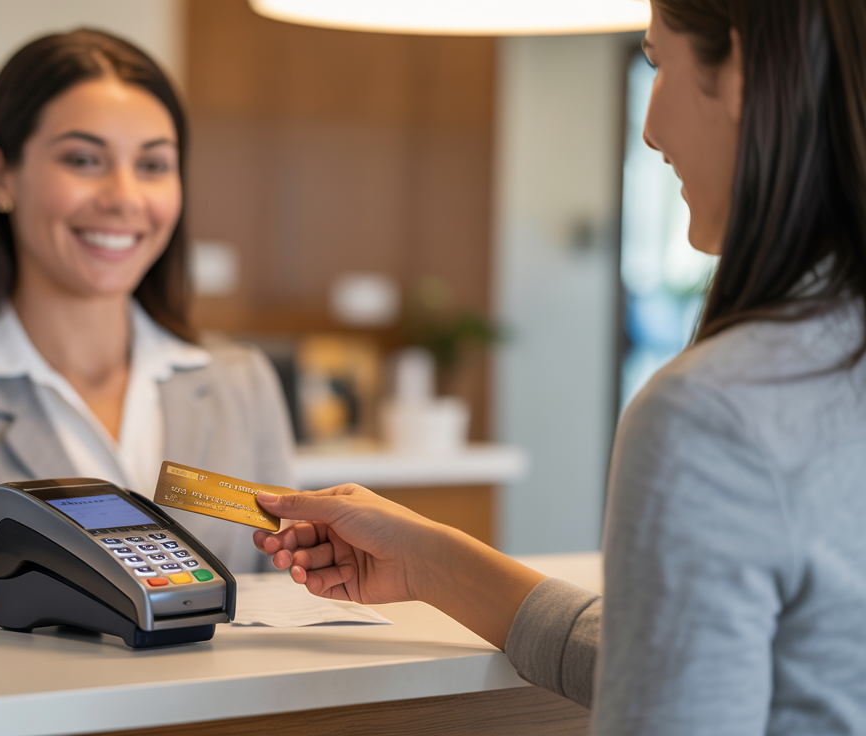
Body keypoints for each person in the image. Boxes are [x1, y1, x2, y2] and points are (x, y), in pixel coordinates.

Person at [253, 0, 866, 733]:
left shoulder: (712, 413)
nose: (648, 129)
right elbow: (694, 669)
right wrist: (429, 562)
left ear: (738, 71)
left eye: (657, 62)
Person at [0, 29, 294, 597]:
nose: (125, 197)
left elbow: (276, 611)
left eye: (153, 164)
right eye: (84, 160)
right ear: (0, 176)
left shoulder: (241, 386)